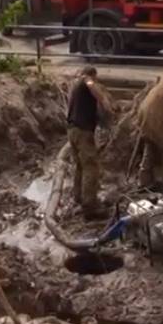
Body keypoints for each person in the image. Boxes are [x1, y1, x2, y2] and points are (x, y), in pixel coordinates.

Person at [66, 66, 112, 220]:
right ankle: (90, 206)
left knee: (79, 165)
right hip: (82, 131)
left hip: (73, 130)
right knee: (90, 167)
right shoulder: (86, 82)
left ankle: (78, 196)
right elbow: (91, 85)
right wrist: (103, 101)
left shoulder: (76, 88)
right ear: (93, 75)